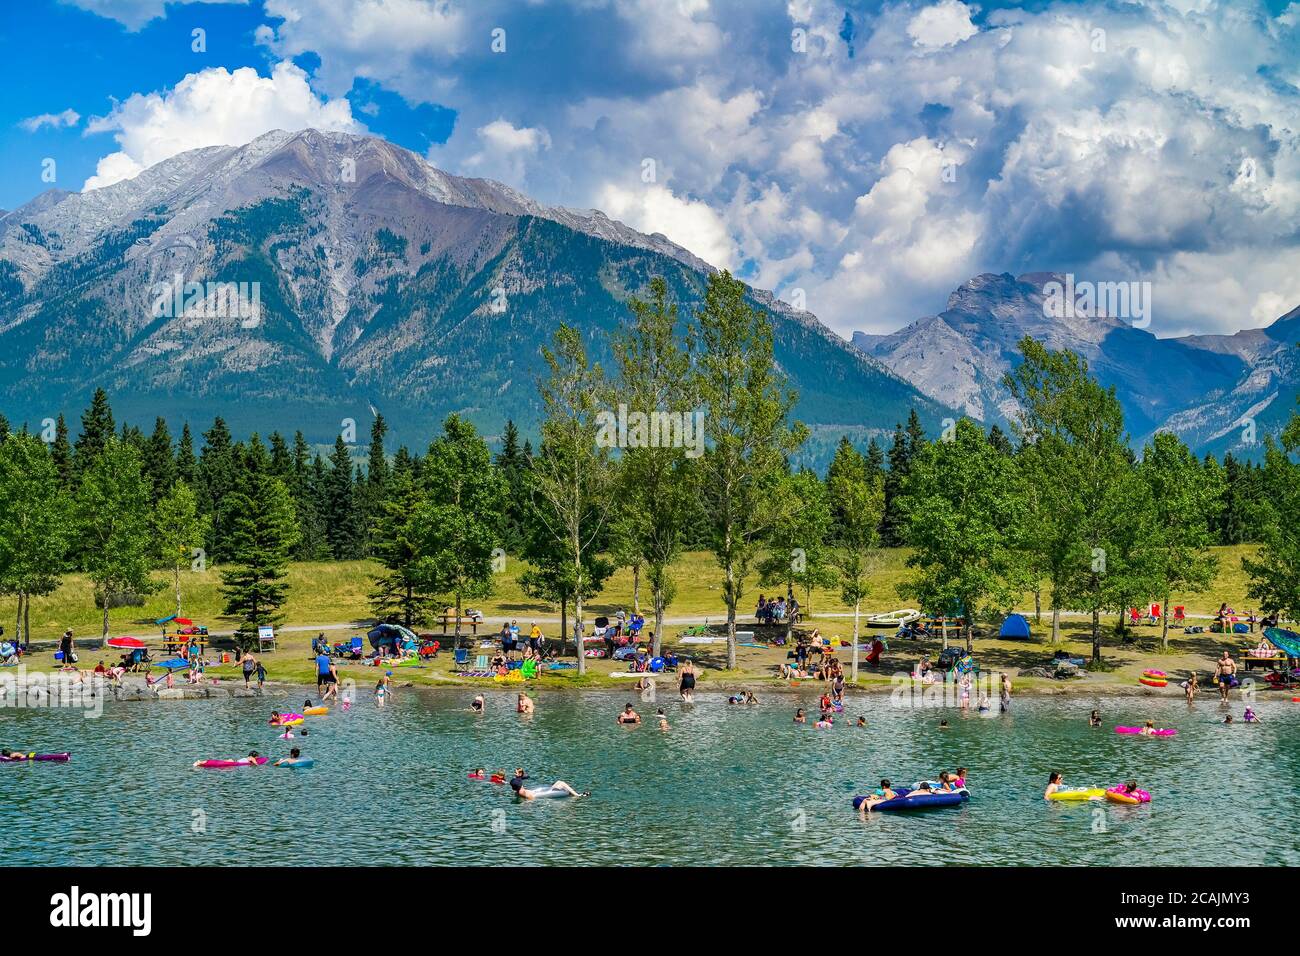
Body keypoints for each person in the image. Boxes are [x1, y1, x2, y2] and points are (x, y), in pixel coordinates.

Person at [509, 768, 587, 800]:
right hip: (538, 794)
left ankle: (575, 794)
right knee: (561, 783)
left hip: (535, 793)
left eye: (515, 772)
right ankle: (577, 795)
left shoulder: (518, 784)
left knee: (559, 782)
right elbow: (530, 799)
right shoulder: (519, 786)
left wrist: (523, 776)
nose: (514, 773)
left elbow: (518, 780)